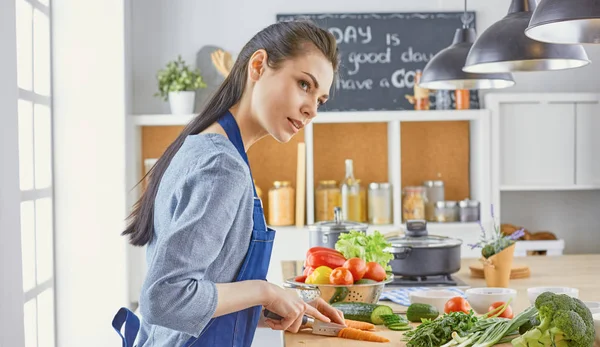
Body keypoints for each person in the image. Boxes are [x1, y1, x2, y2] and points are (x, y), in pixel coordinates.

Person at [112, 20, 343, 347]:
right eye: (304, 84)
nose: (311, 110)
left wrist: (276, 303)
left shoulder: (202, 145)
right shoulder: (223, 166)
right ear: (259, 66)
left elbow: (204, 286)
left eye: (320, 100)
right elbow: (164, 298)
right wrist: (264, 290)